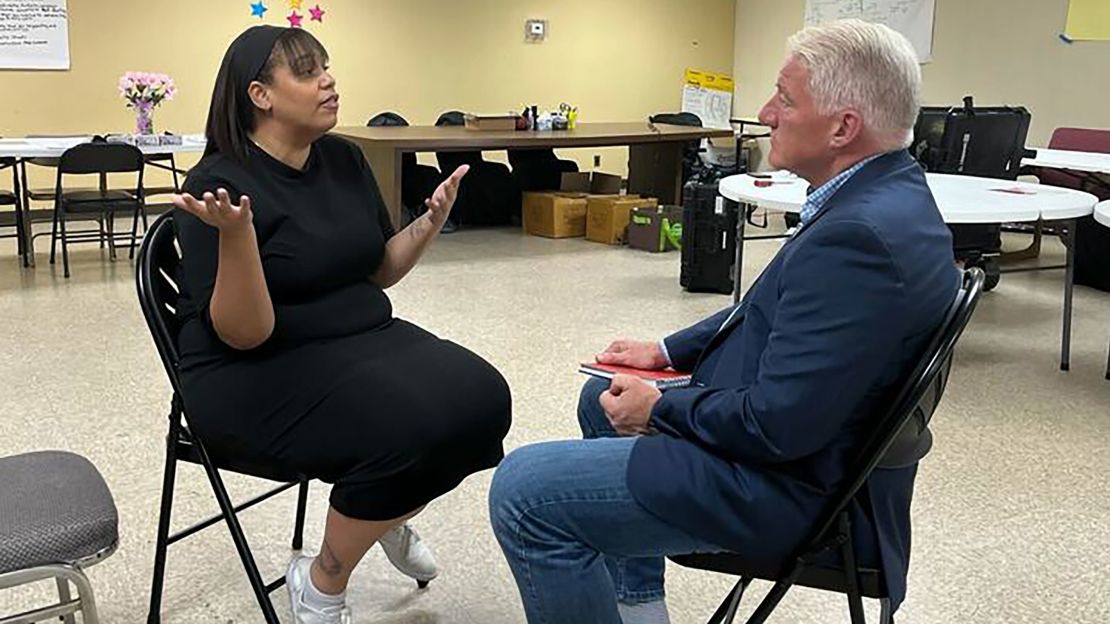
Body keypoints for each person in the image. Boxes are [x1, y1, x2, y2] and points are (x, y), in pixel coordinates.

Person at [489, 19, 960, 624]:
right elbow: (765, 309)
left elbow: (775, 428)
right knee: (599, 394)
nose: (765, 113)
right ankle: (640, 608)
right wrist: (663, 351)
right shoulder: (888, 195)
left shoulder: (856, 238)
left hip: (789, 486)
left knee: (524, 492)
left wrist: (659, 409)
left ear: (844, 127)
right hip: (814, 452)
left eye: (785, 100)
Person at [172, 25, 511, 624]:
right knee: (412, 428)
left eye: (326, 67)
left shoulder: (344, 158)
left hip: (356, 339)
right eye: (306, 72)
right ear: (260, 95)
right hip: (251, 371)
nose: (328, 80)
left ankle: (377, 507)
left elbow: (376, 271)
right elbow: (243, 334)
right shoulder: (218, 187)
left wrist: (426, 225)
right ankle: (323, 578)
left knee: (483, 399)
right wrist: (237, 237)